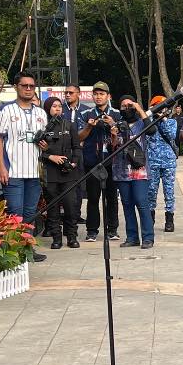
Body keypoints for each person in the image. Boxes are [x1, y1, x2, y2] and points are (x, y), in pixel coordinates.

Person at [0, 71, 49, 262]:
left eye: (31, 86)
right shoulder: (5, 109)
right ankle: (13, 253)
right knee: (15, 212)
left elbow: (46, 141)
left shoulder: (41, 113)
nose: (28, 89)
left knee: (30, 213)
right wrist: (1, 167)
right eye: (24, 85)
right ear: (16, 87)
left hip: (34, 171)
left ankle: (28, 250)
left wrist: (45, 145)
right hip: (13, 171)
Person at [78, 82, 121, 242]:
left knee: (111, 197)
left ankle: (112, 230)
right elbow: (79, 137)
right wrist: (89, 127)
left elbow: (122, 139)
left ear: (108, 96)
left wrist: (112, 125)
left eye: (102, 94)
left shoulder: (116, 114)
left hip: (112, 162)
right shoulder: (86, 113)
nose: (98, 96)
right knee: (93, 197)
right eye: (96, 94)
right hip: (92, 161)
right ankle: (92, 230)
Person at [111, 95, 156, 249]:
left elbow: (152, 130)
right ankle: (132, 237)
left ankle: (148, 237)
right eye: (123, 106)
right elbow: (113, 147)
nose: (127, 108)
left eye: (129, 105)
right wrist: (113, 135)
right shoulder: (117, 124)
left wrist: (139, 109)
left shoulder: (141, 123)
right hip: (121, 171)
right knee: (127, 204)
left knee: (142, 203)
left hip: (140, 171)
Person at [39, 97, 82, 249]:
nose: (57, 109)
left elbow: (77, 147)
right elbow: (37, 153)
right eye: (54, 106)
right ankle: (56, 238)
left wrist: (74, 162)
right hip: (50, 173)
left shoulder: (69, 125)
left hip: (68, 172)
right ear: (48, 108)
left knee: (71, 206)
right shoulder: (42, 127)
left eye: (59, 106)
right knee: (53, 208)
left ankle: (72, 237)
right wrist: (50, 156)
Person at [146, 95, 179, 232]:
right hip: (152, 162)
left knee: (169, 192)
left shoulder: (171, 122)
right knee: (151, 192)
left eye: (163, 106)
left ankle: (169, 220)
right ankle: (150, 219)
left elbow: (171, 135)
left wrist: (163, 118)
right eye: (157, 106)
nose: (161, 109)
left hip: (168, 162)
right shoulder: (148, 123)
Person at [62, 83, 86, 224]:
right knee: (64, 184)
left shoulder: (85, 110)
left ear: (78, 94)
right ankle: (65, 214)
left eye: (71, 92)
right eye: (66, 92)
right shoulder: (60, 109)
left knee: (78, 184)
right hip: (63, 152)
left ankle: (76, 214)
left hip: (80, 152)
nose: (68, 95)